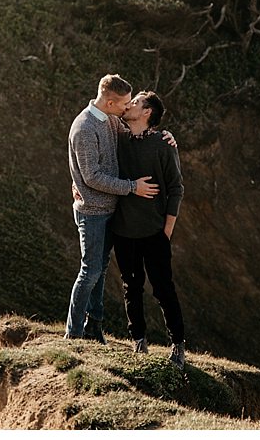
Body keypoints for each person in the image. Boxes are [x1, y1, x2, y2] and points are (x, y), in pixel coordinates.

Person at [66, 74, 173, 343]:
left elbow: (137, 135)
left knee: (99, 270)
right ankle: (74, 334)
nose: (128, 107)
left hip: (109, 210)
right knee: (89, 271)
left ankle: (94, 328)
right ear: (111, 101)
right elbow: (92, 177)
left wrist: (165, 137)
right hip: (92, 212)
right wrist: (131, 187)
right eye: (124, 103)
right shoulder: (85, 127)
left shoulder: (111, 120)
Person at [110, 90, 187, 370]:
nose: (129, 105)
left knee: (164, 290)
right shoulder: (117, 136)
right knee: (131, 288)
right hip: (123, 230)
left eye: (136, 102)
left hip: (155, 232)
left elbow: (177, 189)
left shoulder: (163, 145)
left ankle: (177, 345)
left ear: (147, 113)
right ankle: (139, 341)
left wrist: (167, 230)